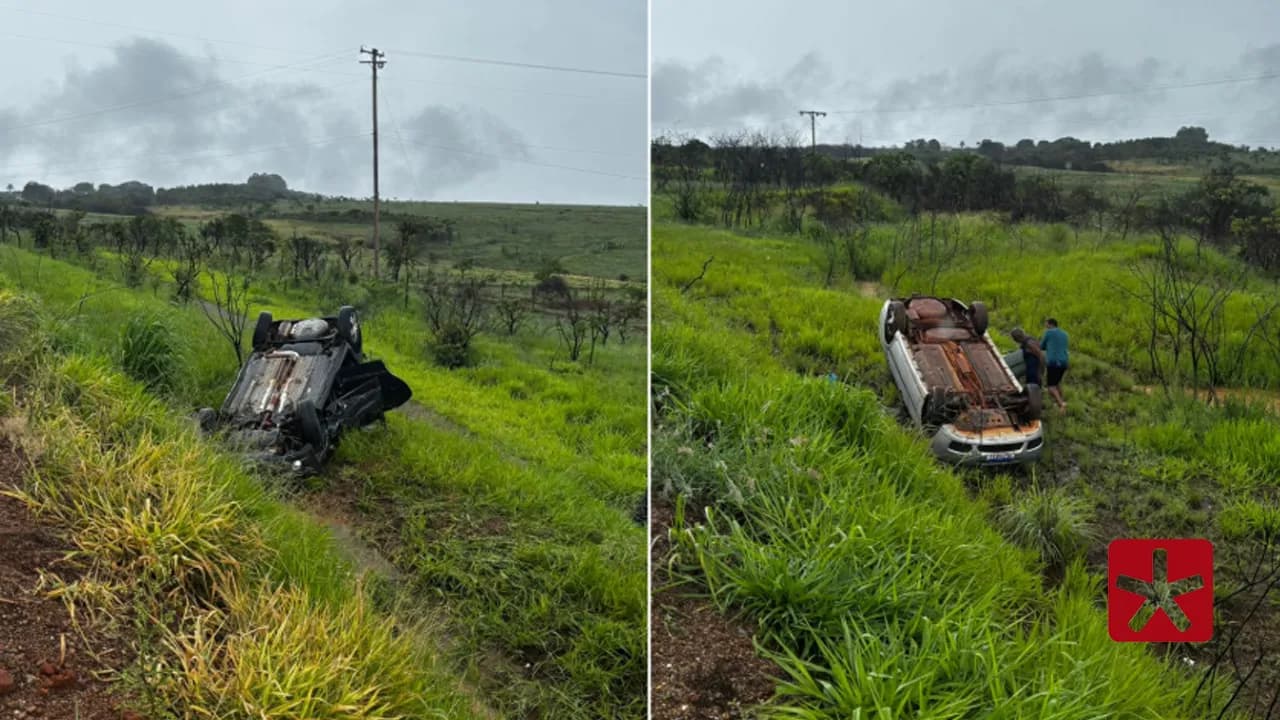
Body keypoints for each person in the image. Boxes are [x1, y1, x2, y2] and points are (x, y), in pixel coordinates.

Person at [1041, 318, 1069, 411]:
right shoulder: (1065, 334)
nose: (1045, 327)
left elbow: (1042, 346)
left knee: (1051, 387)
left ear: (1051, 324)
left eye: (1046, 325)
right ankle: (1062, 401)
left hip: (1053, 362)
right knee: (1057, 384)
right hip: (1064, 362)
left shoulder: (1049, 333)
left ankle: (1061, 405)